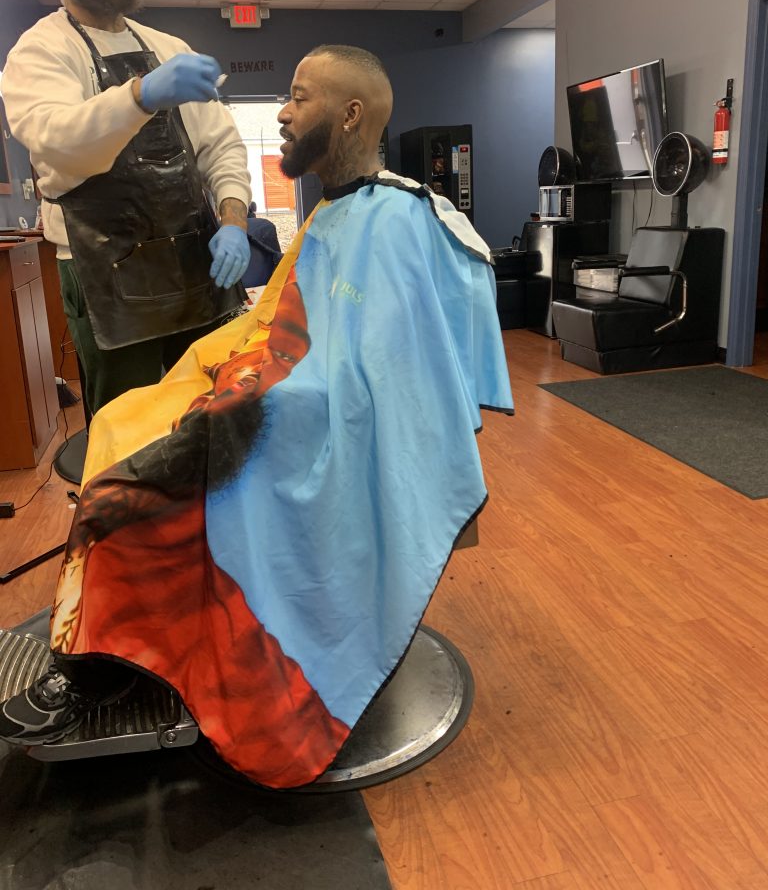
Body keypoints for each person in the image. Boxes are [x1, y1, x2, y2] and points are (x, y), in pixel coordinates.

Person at [0, 44, 514, 789]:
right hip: (275, 391)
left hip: (314, 424)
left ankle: (100, 668)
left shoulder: (398, 222)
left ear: (350, 114)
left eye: (299, 97)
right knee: (120, 424)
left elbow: (382, 379)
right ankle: (137, 643)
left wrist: (253, 392)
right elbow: (291, 325)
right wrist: (234, 364)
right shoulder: (334, 211)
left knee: (129, 491)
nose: (281, 109)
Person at [0, 0, 252, 415]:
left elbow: (221, 147)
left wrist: (233, 223)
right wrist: (140, 96)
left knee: (208, 414)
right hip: (105, 274)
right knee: (127, 428)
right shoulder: (39, 52)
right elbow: (57, 145)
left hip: (193, 263)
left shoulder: (168, 45)